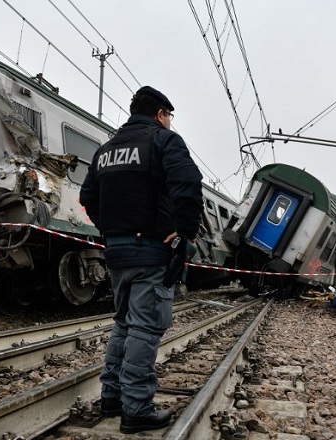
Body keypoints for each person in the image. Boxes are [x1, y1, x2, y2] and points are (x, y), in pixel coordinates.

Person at [79, 86, 203, 434]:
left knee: (124, 322)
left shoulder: (105, 150)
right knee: (146, 327)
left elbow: (88, 196)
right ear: (161, 114)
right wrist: (184, 231)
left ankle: (112, 396)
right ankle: (136, 408)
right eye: (169, 117)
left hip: (116, 251)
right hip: (150, 250)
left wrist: (110, 229)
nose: (170, 122)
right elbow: (189, 185)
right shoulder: (164, 141)